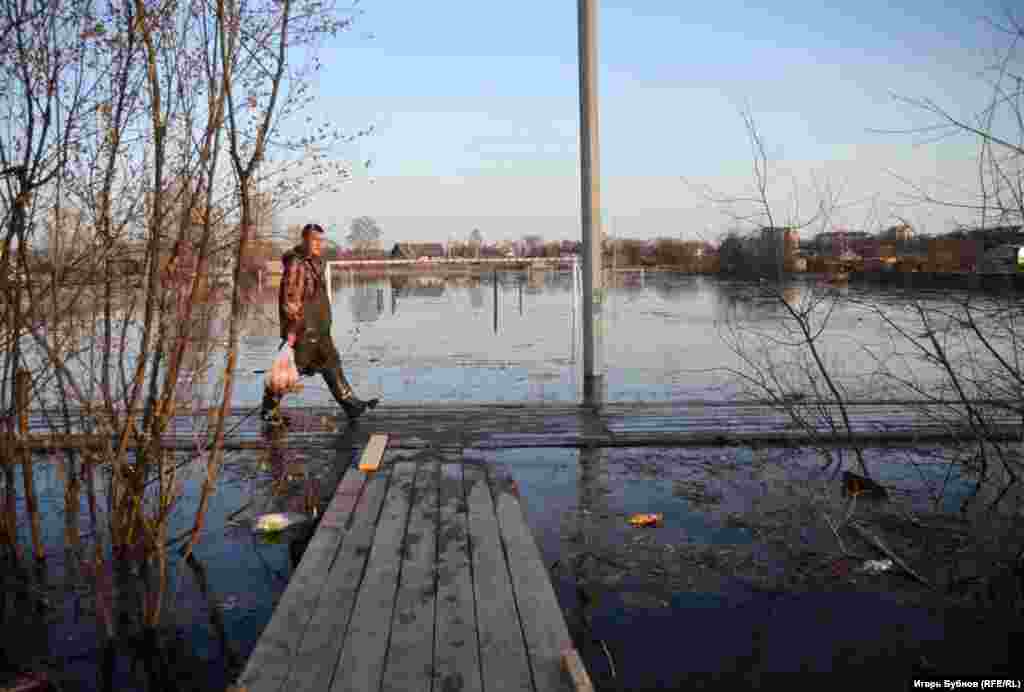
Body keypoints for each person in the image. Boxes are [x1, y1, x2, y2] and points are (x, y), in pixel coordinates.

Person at [261, 223, 379, 426]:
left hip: (319, 329)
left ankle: (350, 404)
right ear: (304, 239)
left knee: (331, 362)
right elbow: (290, 299)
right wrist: (292, 330)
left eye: (321, 240)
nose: (318, 244)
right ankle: (269, 409)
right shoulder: (297, 263)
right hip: (304, 329)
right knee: (292, 369)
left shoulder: (316, 263)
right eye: (314, 240)